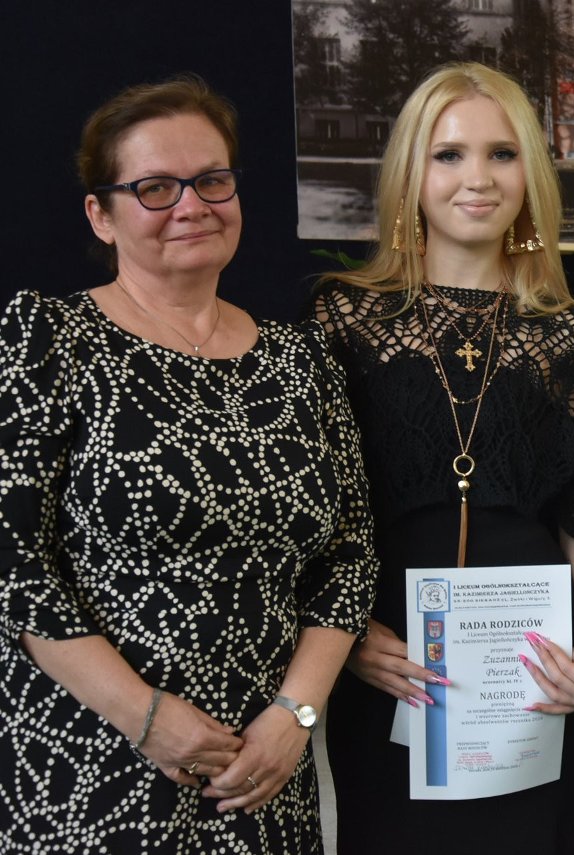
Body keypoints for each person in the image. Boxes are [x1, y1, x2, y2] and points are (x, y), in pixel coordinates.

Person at [0, 75, 377, 853]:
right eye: (154, 187)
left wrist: (295, 715)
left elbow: (349, 557)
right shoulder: (49, 339)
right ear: (100, 215)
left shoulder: (302, 360)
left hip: (263, 769)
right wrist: (144, 716)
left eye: (211, 179)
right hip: (95, 762)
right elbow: (14, 563)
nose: (191, 205)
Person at [310, 62, 574, 855]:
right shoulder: (343, 319)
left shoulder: (567, 334)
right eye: (449, 154)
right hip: (393, 673)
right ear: (410, 173)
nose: (478, 178)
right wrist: (347, 635)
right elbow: (313, 516)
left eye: (502, 153)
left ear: (531, 172)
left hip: (530, 681)